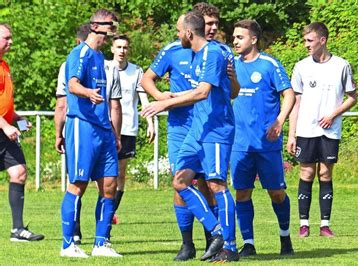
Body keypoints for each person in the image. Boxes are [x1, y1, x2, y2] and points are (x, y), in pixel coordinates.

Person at [141, 4, 239, 260]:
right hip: (195, 129)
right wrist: (168, 96)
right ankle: (216, 232)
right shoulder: (196, 54)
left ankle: (229, 246)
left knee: (216, 184)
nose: (176, 35)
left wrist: (163, 103)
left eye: (178, 31)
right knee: (180, 181)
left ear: (188, 33)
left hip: (215, 129)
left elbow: (203, 92)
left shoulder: (215, 53)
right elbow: (195, 91)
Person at [59, 9, 122, 258]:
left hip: (103, 129)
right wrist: (88, 93)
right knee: (78, 184)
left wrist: (114, 133)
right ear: (96, 26)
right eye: (110, 24)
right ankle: (68, 245)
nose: (114, 27)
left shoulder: (100, 57)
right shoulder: (80, 53)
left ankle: (101, 243)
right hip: (82, 126)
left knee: (109, 185)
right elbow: (72, 85)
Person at [230, 20, 295, 257]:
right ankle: (248, 243)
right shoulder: (231, 66)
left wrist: (279, 121)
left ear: (254, 39)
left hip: (266, 143)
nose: (235, 41)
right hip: (239, 143)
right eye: (234, 37)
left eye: (240, 37)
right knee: (242, 193)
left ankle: (285, 237)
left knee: (276, 193)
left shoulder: (269, 65)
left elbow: (288, 94)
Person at [287, 22, 357, 238]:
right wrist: (292, 133)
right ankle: (303, 224)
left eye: (310, 41)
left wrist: (332, 115)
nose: (306, 45)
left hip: (330, 130)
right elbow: (295, 102)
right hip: (306, 130)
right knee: (307, 173)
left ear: (322, 41)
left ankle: (325, 224)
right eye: (304, 41)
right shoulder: (301, 67)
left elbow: (352, 97)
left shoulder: (342, 65)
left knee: (325, 173)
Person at [0, 23, 44, 242]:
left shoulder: (4, 65)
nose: (11, 42)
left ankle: (17, 230)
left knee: (19, 172)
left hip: (4, 130)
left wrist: (14, 117)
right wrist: (5, 125)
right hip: (2, 129)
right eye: (6, 38)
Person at [107, 34, 155, 231]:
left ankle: (110, 212)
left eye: (125, 47)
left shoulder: (136, 71)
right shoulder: (104, 68)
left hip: (127, 129)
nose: (121, 51)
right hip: (107, 128)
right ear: (112, 49)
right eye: (118, 47)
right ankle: (106, 208)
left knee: (120, 172)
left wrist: (150, 122)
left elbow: (144, 100)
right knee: (105, 173)